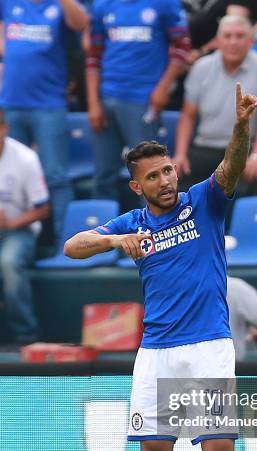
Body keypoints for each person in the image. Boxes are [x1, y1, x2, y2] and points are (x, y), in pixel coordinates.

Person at [64, 84, 257, 451]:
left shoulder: (203, 202)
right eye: (153, 176)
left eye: (167, 170)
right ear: (136, 186)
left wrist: (241, 126)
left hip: (206, 346)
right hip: (156, 350)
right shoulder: (134, 221)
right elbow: (73, 246)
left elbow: (231, 168)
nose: (165, 180)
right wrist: (116, 240)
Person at [0, 0, 89, 242]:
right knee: (10, 174)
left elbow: (82, 23)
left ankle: (67, 243)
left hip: (48, 105)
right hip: (11, 103)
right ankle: (14, 239)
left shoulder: (61, 5)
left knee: (56, 176)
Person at [86, 0, 192, 202]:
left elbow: (183, 47)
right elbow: (93, 55)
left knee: (148, 173)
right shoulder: (102, 5)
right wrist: (92, 102)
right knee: (103, 174)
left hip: (143, 99)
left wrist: (163, 87)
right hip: (107, 97)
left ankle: (153, 230)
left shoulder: (165, 4)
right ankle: (102, 231)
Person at [174, 15, 257, 193]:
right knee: (177, 182)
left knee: (250, 180)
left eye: (240, 36)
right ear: (217, 41)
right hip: (205, 147)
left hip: (245, 149)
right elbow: (187, 116)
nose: (233, 42)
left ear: (251, 41)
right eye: (227, 36)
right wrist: (180, 154)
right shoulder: (201, 67)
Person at [0, 110, 50, 345]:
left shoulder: (25, 158)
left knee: (9, 263)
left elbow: (43, 209)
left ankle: (25, 335)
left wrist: (10, 222)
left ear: (4, 129)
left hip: (20, 230)